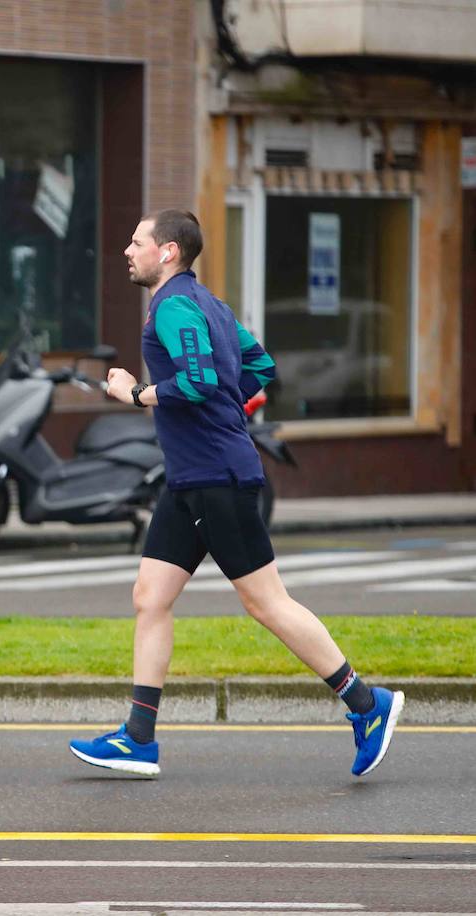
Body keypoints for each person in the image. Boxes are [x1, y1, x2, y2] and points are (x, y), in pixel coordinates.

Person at [69, 209, 403, 779]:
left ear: (168, 252)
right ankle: (138, 739)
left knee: (265, 602)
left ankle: (367, 706)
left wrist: (135, 393)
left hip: (216, 476)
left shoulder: (172, 307)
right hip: (190, 478)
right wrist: (223, 406)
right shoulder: (212, 307)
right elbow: (260, 366)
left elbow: (197, 382)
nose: (128, 250)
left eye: (136, 241)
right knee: (151, 595)